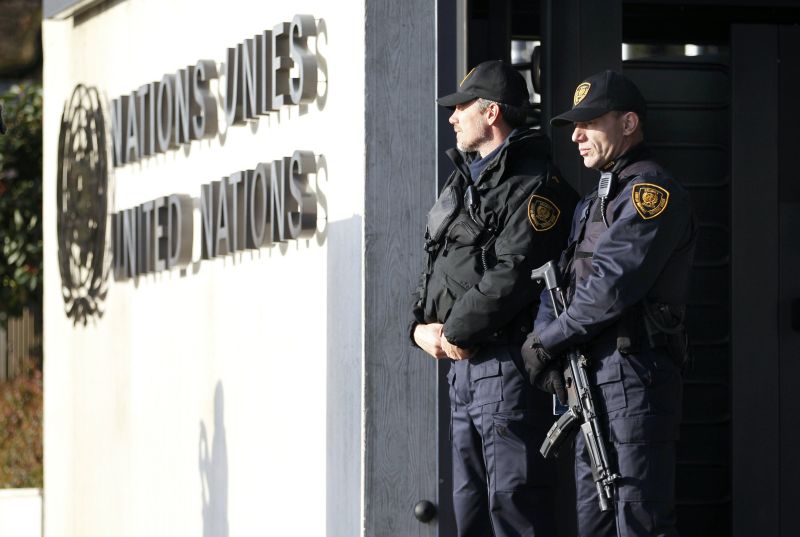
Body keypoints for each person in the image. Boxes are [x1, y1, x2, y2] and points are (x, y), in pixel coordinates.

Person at [522, 70, 697, 537]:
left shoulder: (649, 195)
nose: (576, 135)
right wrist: (545, 338)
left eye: (590, 122)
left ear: (628, 123)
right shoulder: (594, 201)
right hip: (592, 378)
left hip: (633, 378)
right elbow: (559, 280)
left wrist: (546, 343)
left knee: (640, 520)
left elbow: (609, 288)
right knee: (596, 522)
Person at [411, 60, 578, 537]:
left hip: (506, 368)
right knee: (469, 510)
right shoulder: (465, 179)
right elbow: (436, 258)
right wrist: (418, 326)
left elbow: (514, 273)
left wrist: (457, 331)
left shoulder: (534, 185)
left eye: (461, 107)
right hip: (463, 368)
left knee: (514, 507)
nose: (452, 117)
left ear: (492, 113)